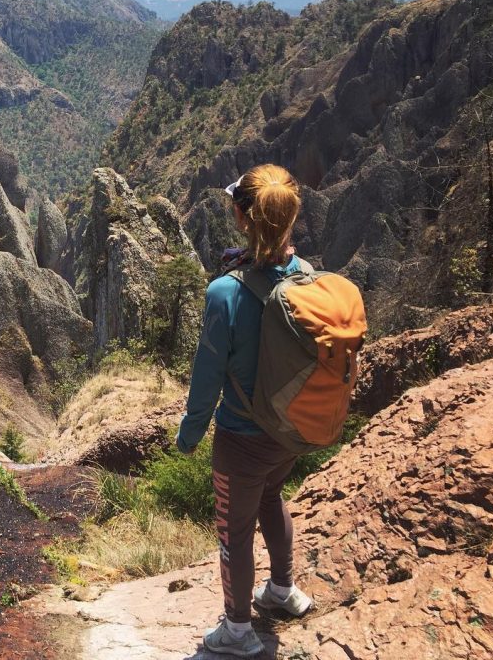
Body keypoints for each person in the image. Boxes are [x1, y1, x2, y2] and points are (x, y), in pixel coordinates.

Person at [176, 164, 314, 657]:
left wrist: (189, 435)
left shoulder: (225, 293)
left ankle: (237, 631)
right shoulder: (307, 278)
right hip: (289, 433)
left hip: (241, 439)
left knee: (234, 533)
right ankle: (282, 589)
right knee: (272, 497)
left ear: (242, 218)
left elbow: (207, 378)